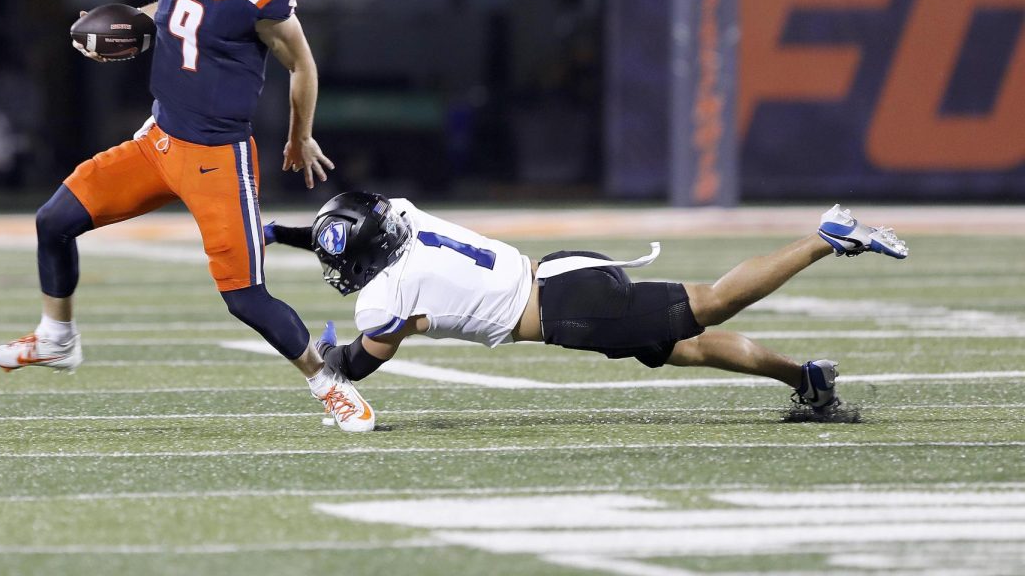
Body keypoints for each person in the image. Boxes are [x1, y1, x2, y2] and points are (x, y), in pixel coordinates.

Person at [0, 0, 375, 433]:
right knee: (53, 219)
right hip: (159, 142)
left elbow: (303, 66)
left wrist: (299, 135)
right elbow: (171, 11)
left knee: (246, 298)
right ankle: (56, 338)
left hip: (218, 159)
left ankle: (328, 383)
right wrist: (128, 26)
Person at [266, 192, 910, 417]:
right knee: (684, 348)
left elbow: (358, 364)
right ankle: (807, 380)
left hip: (571, 311)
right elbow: (355, 228)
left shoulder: (386, 294)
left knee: (709, 305)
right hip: (564, 273)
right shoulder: (401, 213)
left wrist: (312, 354)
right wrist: (277, 232)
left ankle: (824, 238)